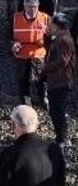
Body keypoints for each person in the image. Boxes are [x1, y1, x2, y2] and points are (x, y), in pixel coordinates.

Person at [0, 105, 65, 186]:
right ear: (37, 124)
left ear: (12, 126)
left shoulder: (8, 155)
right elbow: (61, 181)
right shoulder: (54, 149)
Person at [42, 13, 74, 147]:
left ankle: (62, 139)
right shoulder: (61, 37)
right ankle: (60, 137)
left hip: (61, 81)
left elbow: (62, 61)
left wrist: (46, 68)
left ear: (56, 25)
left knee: (58, 111)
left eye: (51, 24)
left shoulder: (64, 40)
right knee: (57, 111)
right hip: (58, 80)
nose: (49, 26)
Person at [12, 0, 49, 107]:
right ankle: (26, 101)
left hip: (38, 54)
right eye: (29, 7)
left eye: (34, 7)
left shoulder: (45, 18)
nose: (32, 9)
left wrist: (45, 42)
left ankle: (43, 98)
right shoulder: (16, 18)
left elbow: (52, 36)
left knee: (41, 78)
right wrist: (13, 45)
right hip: (21, 54)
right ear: (24, 7)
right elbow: (10, 36)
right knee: (22, 79)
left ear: (38, 6)